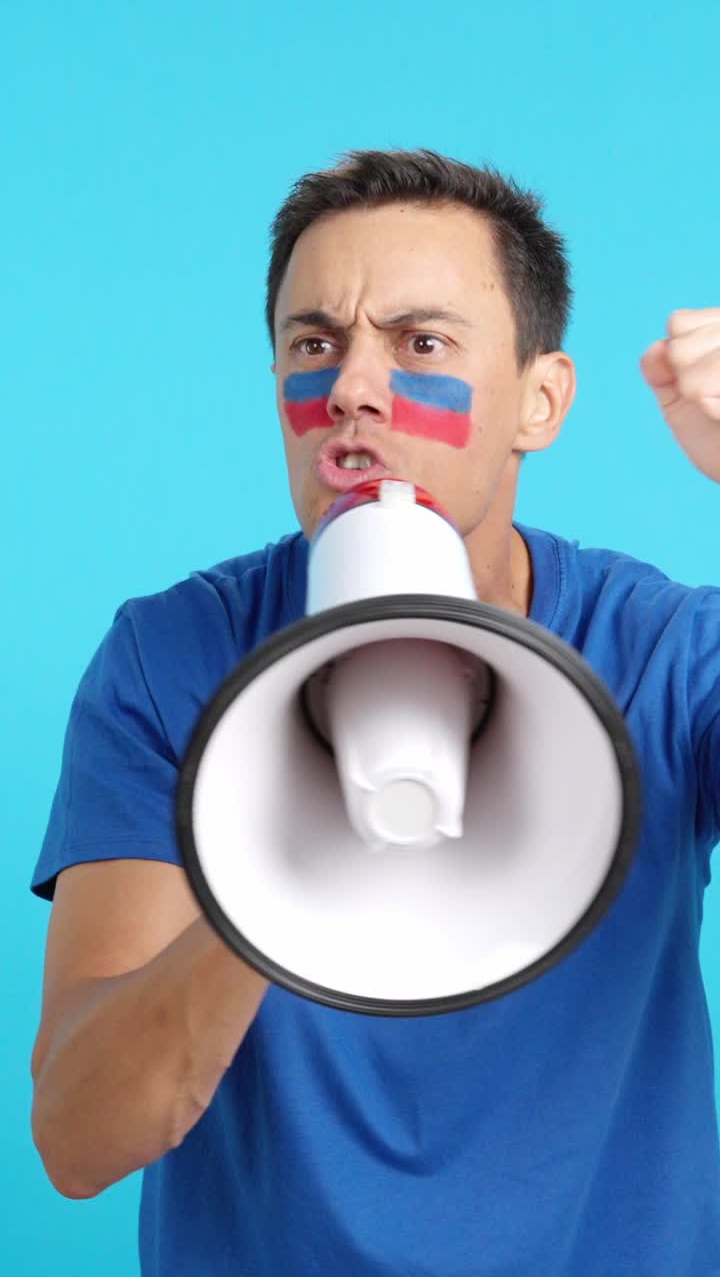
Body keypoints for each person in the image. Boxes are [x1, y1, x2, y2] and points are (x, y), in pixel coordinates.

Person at [30, 149, 720, 1276]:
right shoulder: (169, 656)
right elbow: (78, 1135)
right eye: (316, 344)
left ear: (539, 402)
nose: (352, 388)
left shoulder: (664, 652)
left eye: (423, 344)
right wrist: (279, 882)